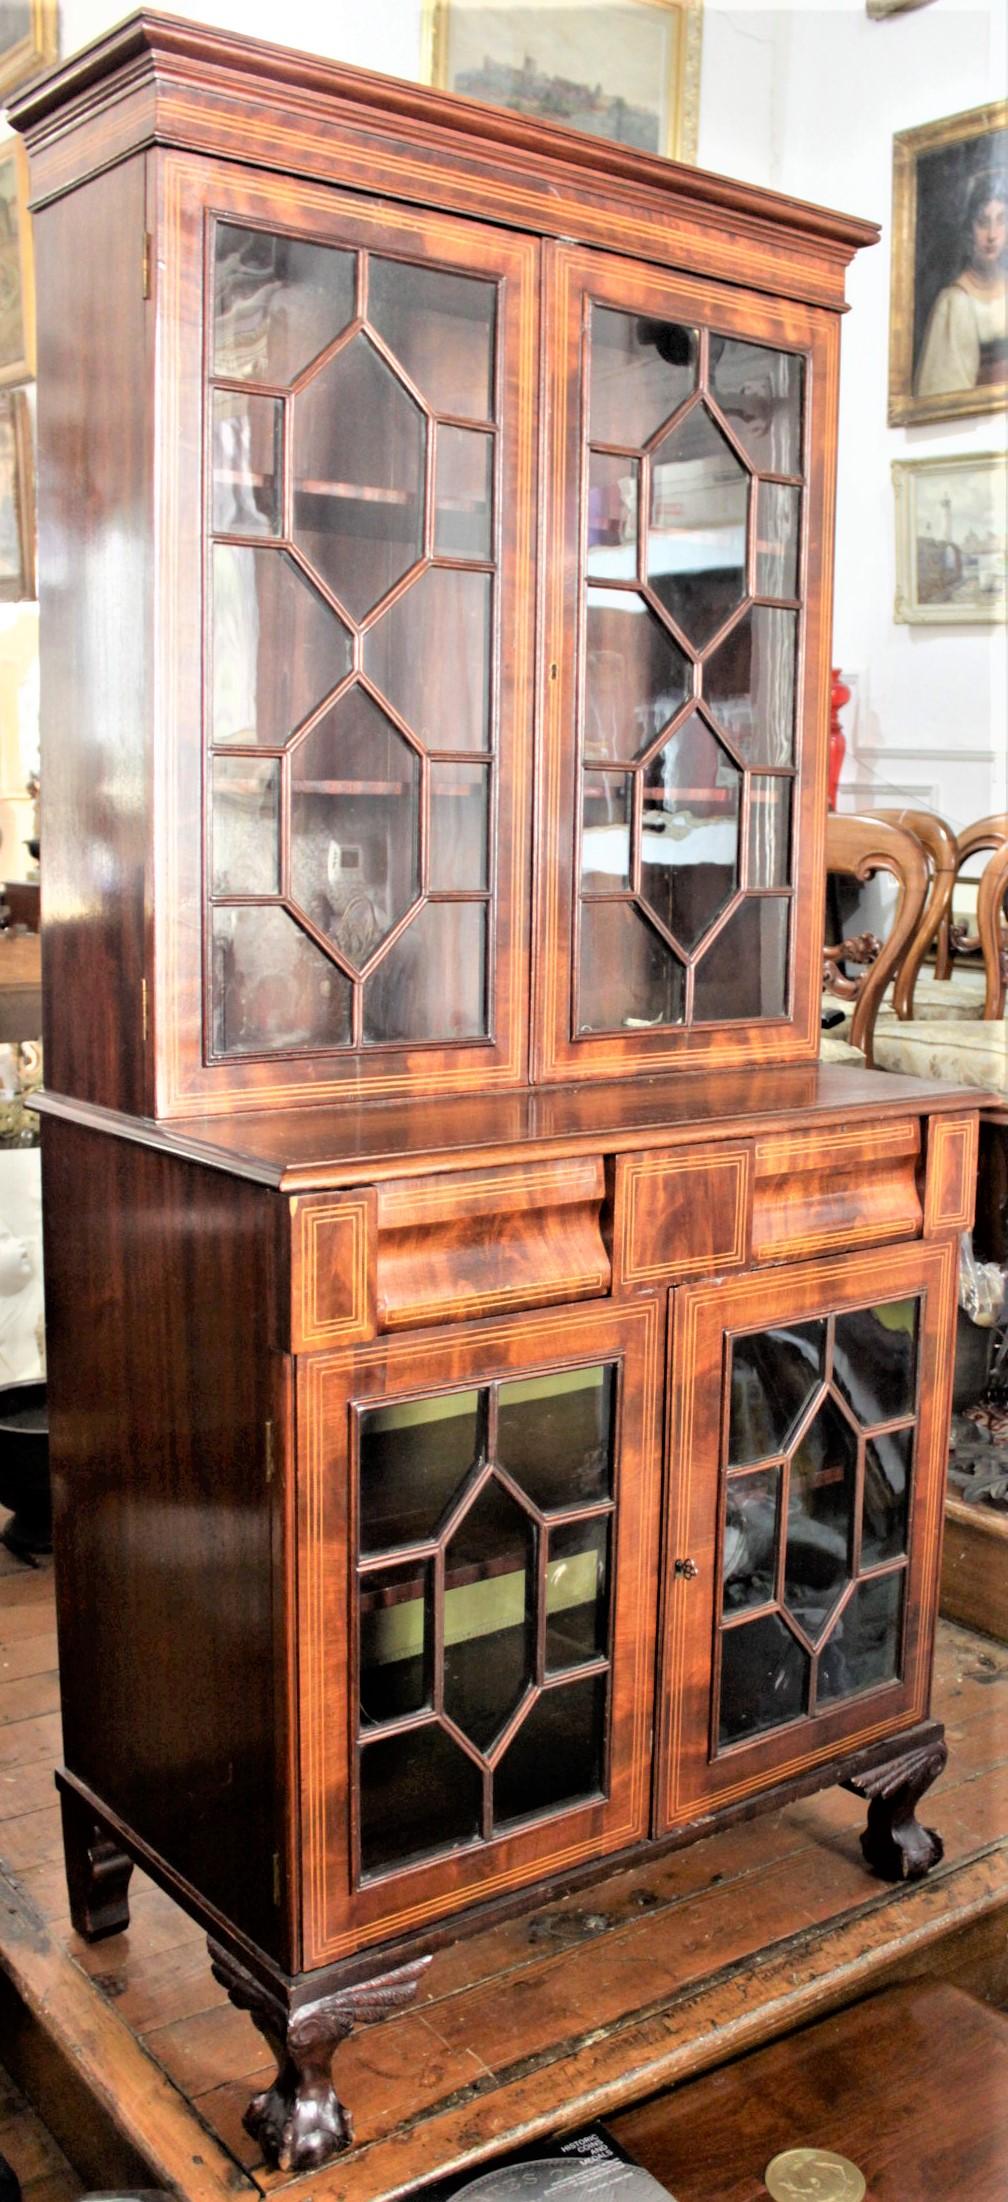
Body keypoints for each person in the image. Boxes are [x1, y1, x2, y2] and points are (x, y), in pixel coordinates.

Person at [914, 170, 1007, 398]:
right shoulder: (955, 302)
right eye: (983, 223)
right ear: (969, 230)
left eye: (1001, 221)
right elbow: (945, 395)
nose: (992, 235)